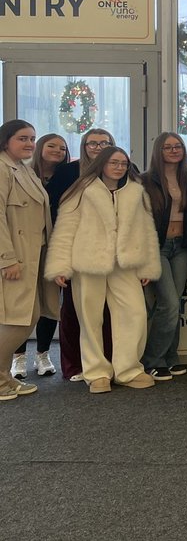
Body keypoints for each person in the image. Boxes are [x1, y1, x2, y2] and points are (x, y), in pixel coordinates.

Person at [45, 145, 160, 394]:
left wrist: (148, 266)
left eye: (123, 163)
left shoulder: (137, 192)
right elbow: (65, 229)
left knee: (135, 315)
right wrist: (60, 266)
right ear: (102, 164)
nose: (119, 167)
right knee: (90, 319)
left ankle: (128, 369)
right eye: (114, 163)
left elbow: (146, 231)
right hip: (87, 263)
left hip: (125, 264)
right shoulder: (81, 190)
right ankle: (96, 373)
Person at [45, 126, 116, 382]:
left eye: (104, 143)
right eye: (92, 143)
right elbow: (57, 215)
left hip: (112, 252)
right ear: (84, 146)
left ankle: (107, 362)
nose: (98, 147)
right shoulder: (67, 172)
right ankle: (75, 365)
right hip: (77, 250)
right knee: (74, 311)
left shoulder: (121, 169)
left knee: (108, 310)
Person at [0, 121, 52, 401]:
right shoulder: (1, 168)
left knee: (27, 317)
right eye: (22, 138)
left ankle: (5, 378)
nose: (29, 144)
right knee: (17, 321)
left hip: (33, 254)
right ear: (6, 140)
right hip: (14, 256)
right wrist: (6, 258)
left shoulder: (23, 169)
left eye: (32, 138)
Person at [11, 133, 68, 380]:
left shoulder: (68, 177)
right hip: (24, 246)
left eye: (62, 147)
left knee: (49, 302)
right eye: (51, 145)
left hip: (54, 246)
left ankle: (43, 354)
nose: (58, 150)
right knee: (22, 303)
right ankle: (18, 357)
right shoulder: (21, 173)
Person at [139, 132, 187, 381]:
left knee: (175, 302)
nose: (173, 150)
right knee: (169, 303)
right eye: (168, 147)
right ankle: (152, 359)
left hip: (182, 246)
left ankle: (171, 357)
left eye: (178, 146)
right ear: (158, 151)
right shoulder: (146, 180)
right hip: (158, 246)